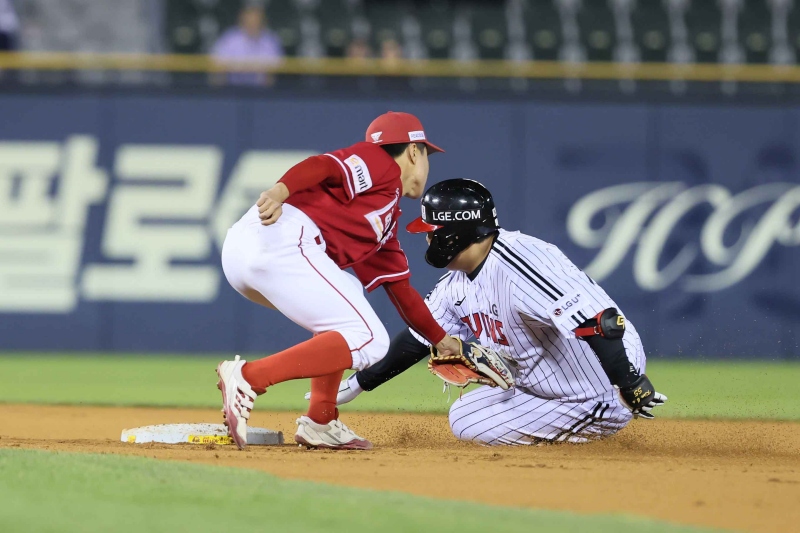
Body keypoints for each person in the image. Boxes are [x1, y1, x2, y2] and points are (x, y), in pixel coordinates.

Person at [318, 179, 667, 445]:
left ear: (455, 233)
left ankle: (587, 444)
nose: (426, 240)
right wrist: (361, 382)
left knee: (473, 427)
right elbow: (419, 336)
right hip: (547, 382)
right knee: (464, 415)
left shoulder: (522, 264)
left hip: (597, 387)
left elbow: (601, 321)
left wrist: (629, 382)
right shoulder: (458, 281)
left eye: (431, 232)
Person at [217, 112, 462, 451]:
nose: (425, 165)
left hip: (250, 254)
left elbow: (403, 294)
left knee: (345, 309)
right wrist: (280, 189)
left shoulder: (383, 223)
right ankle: (249, 378)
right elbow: (326, 165)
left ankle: (320, 420)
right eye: (425, 156)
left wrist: (442, 340)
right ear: (413, 151)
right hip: (280, 235)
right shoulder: (382, 164)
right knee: (371, 340)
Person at [211, 2, 283, 85]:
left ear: (263, 20)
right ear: (242, 18)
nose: (253, 22)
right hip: (232, 90)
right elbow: (216, 68)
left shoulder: (270, 40)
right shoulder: (230, 38)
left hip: (263, 93)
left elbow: (275, 72)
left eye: (256, 18)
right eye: (249, 18)